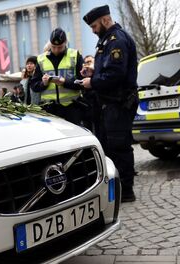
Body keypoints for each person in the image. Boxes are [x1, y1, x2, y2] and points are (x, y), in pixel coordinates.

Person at [80, 5, 139, 202]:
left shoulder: (117, 40)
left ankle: (126, 191)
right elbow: (107, 70)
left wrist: (92, 82)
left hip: (119, 102)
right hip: (109, 103)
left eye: (95, 26)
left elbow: (116, 74)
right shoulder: (107, 40)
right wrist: (92, 74)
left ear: (105, 20)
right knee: (110, 145)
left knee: (119, 146)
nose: (93, 30)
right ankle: (117, 187)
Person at [30, 27, 86, 125]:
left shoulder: (75, 55)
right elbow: (34, 85)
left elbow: (83, 81)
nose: (56, 50)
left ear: (65, 43)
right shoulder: (41, 59)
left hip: (71, 109)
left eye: (60, 47)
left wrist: (65, 82)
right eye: (53, 47)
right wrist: (43, 83)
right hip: (49, 110)